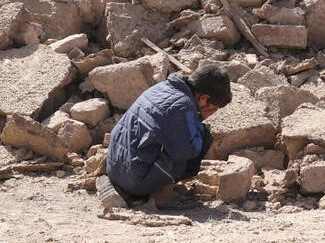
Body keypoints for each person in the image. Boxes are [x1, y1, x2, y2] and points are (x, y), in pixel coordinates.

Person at [98, 64, 232, 210]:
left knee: (182, 137)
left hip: (115, 168)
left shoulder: (164, 87)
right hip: (135, 180)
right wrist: (197, 120)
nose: (211, 114)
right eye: (212, 109)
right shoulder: (184, 107)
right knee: (201, 137)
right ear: (204, 98)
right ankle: (162, 195)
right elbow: (187, 151)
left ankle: (130, 191)